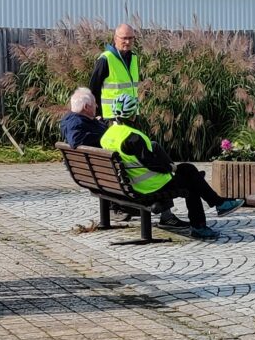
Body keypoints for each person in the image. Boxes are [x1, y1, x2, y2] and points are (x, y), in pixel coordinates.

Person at [100, 93, 244, 239]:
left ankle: (217, 203)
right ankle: (202, 223)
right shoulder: (133, 137)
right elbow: (152, 164)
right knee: (190, 178)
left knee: (189, 172)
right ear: (133, 115)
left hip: (128, 184)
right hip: (148, 186)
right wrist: (171, 168)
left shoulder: (108, 134)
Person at [90, 23, 139, 118]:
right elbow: (93, 89)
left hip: (132, 115)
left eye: (130, 38)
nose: (128, 42)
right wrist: (97, 114)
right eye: (124, 38)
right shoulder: (105, 59)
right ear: (115, 38)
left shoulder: (134, 58)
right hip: (111, 117)